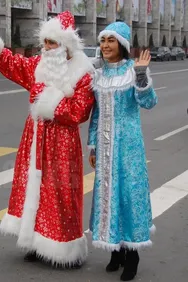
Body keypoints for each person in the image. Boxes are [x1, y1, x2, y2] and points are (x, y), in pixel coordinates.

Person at [0, 11, 95, 267]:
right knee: (34, 189)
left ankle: (66, 249)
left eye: (52, 43)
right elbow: (13, 63)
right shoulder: (39, 65)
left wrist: (45, 97)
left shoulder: (84, 73)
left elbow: (79, 111)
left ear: (66, 44)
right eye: (45, 42)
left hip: (62, 142)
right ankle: (37, 242)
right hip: (35, 138)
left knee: (61, 192)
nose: (46, 48)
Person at [87, 22, 158, 281]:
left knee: (129, 196)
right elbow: (96, 115)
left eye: (111, 40)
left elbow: (148, 102)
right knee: (108, 196)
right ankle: (114, 250)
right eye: (103, 40)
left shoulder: (132, 71)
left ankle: (132, 254)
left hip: (128, 149)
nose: (105, 45)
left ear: (122, 44)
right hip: (105, 151)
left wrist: (141, 75)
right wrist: (92, 144)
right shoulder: (98, 74)